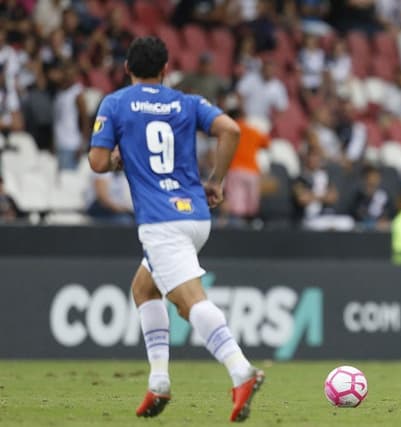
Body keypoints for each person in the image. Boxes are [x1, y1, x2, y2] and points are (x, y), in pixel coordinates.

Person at [88, 36, 264, 422]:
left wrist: (120, 157)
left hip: (160, 221)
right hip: (196, 215)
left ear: (126, 69)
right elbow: (230, 130)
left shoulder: (115, 103)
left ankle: (240, 370)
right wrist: (216, 181)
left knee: (189, 302)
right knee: (143, 287)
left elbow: (98, 163)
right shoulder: (186, 102)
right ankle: (159, 381)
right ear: (165, 70)